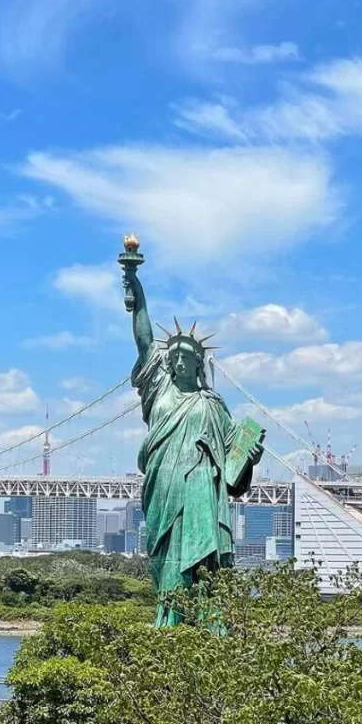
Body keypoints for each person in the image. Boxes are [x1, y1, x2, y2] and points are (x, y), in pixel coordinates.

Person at [121, 236, 265, 625]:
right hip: (164, 485)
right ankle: (167, 621)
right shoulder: (159, 388)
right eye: (176, 356)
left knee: (205, 567)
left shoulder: (213, 405)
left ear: (199, 364)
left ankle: (208, 625)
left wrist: (248, 456)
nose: (181, 361)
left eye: (189, 357)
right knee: (166, 561)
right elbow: (144, 338)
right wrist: (135, 285)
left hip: (201, 486)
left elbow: (236, 458)